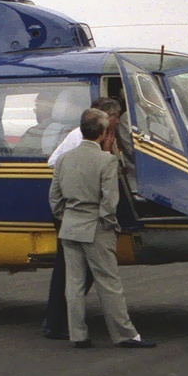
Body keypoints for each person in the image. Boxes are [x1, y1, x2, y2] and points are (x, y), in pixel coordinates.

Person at [49, 107, 155, 349]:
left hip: (70, 226)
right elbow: (109, 201)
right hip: (95, 227)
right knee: (109, 283)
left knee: (74, 285)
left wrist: (65, 217)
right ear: (104, 132)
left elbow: (54, 198)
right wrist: (109, 224)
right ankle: (124, 334)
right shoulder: (106, 161)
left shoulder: (65, 158)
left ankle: (78, 334)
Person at [41, 97, 119, 340]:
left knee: (75, 276)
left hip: (72, 214)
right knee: (71, 273)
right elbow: (55, 164)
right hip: (78, 215)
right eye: (114, 120)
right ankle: (56, 322)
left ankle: (68, 324)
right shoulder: (79, 140)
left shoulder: (92, 143)